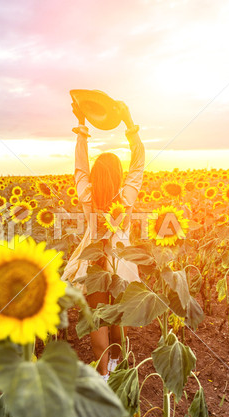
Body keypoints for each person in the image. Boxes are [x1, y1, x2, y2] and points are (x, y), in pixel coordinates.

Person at [62, 100, 145, 381]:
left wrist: (82, 129)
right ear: (119, 176)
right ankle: (115, 367)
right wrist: (129, 125)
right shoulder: (126, 197)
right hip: (121, 263)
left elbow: (79, 168)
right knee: (118, 320)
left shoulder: (87, 195)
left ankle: (103, 377)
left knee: (97, 318)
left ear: (95, 176)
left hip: (94, 264)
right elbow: (138, 163)